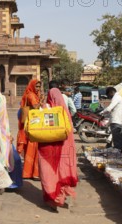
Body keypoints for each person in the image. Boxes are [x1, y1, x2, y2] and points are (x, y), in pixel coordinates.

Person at [38, 81, 78, 211]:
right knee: (61, 171)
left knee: (48, 172)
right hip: (63, 151)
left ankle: (53, 199)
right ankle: (62, 195)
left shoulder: (46, 109)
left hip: (48, 150)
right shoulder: (66, 116)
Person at [17, 79, 42, 179]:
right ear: (32, 86)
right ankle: (33, 173)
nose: (38, 88)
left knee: (30, 148)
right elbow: (35, 107)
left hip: (30, 123)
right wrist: (41, 102)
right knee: (33, 147)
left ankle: (29, 172)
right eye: (37, 86)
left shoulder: (31, 94)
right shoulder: (31, 95)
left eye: (39, 86)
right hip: (31, 124)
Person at [100, 86, 122, 151]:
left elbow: (109, 108)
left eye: (108, 95)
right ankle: (119, 152)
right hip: (116, 120)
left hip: (116, 121)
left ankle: (118, 154)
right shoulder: (118, 97)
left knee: (117, 140)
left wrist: (101, 113)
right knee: (116, 139)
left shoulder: (116, 97)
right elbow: (112, 111)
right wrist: (104, 115)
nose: (108, 97)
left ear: (111, 92)